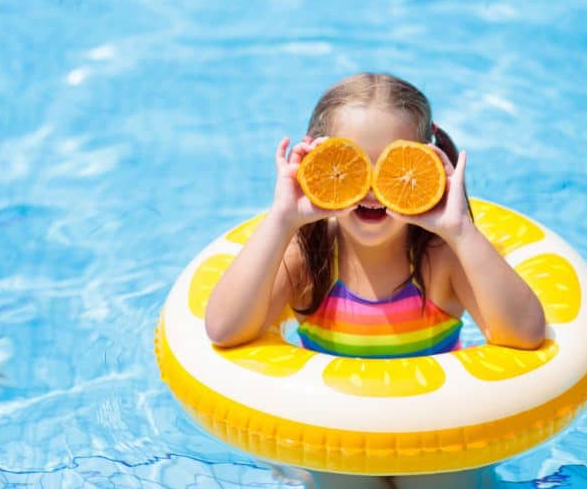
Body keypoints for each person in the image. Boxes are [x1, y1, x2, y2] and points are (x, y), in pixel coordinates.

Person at [204, 72, 546, 489]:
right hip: (339, 442)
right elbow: (224, 329)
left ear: (427, 164)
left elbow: (524, 335)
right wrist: (281, 220)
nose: (370, 188)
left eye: (393, 167)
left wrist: (459, 230)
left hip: (434, 440)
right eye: (350, 165)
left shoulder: (441, 259)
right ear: (314, 161)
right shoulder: (308, 258)